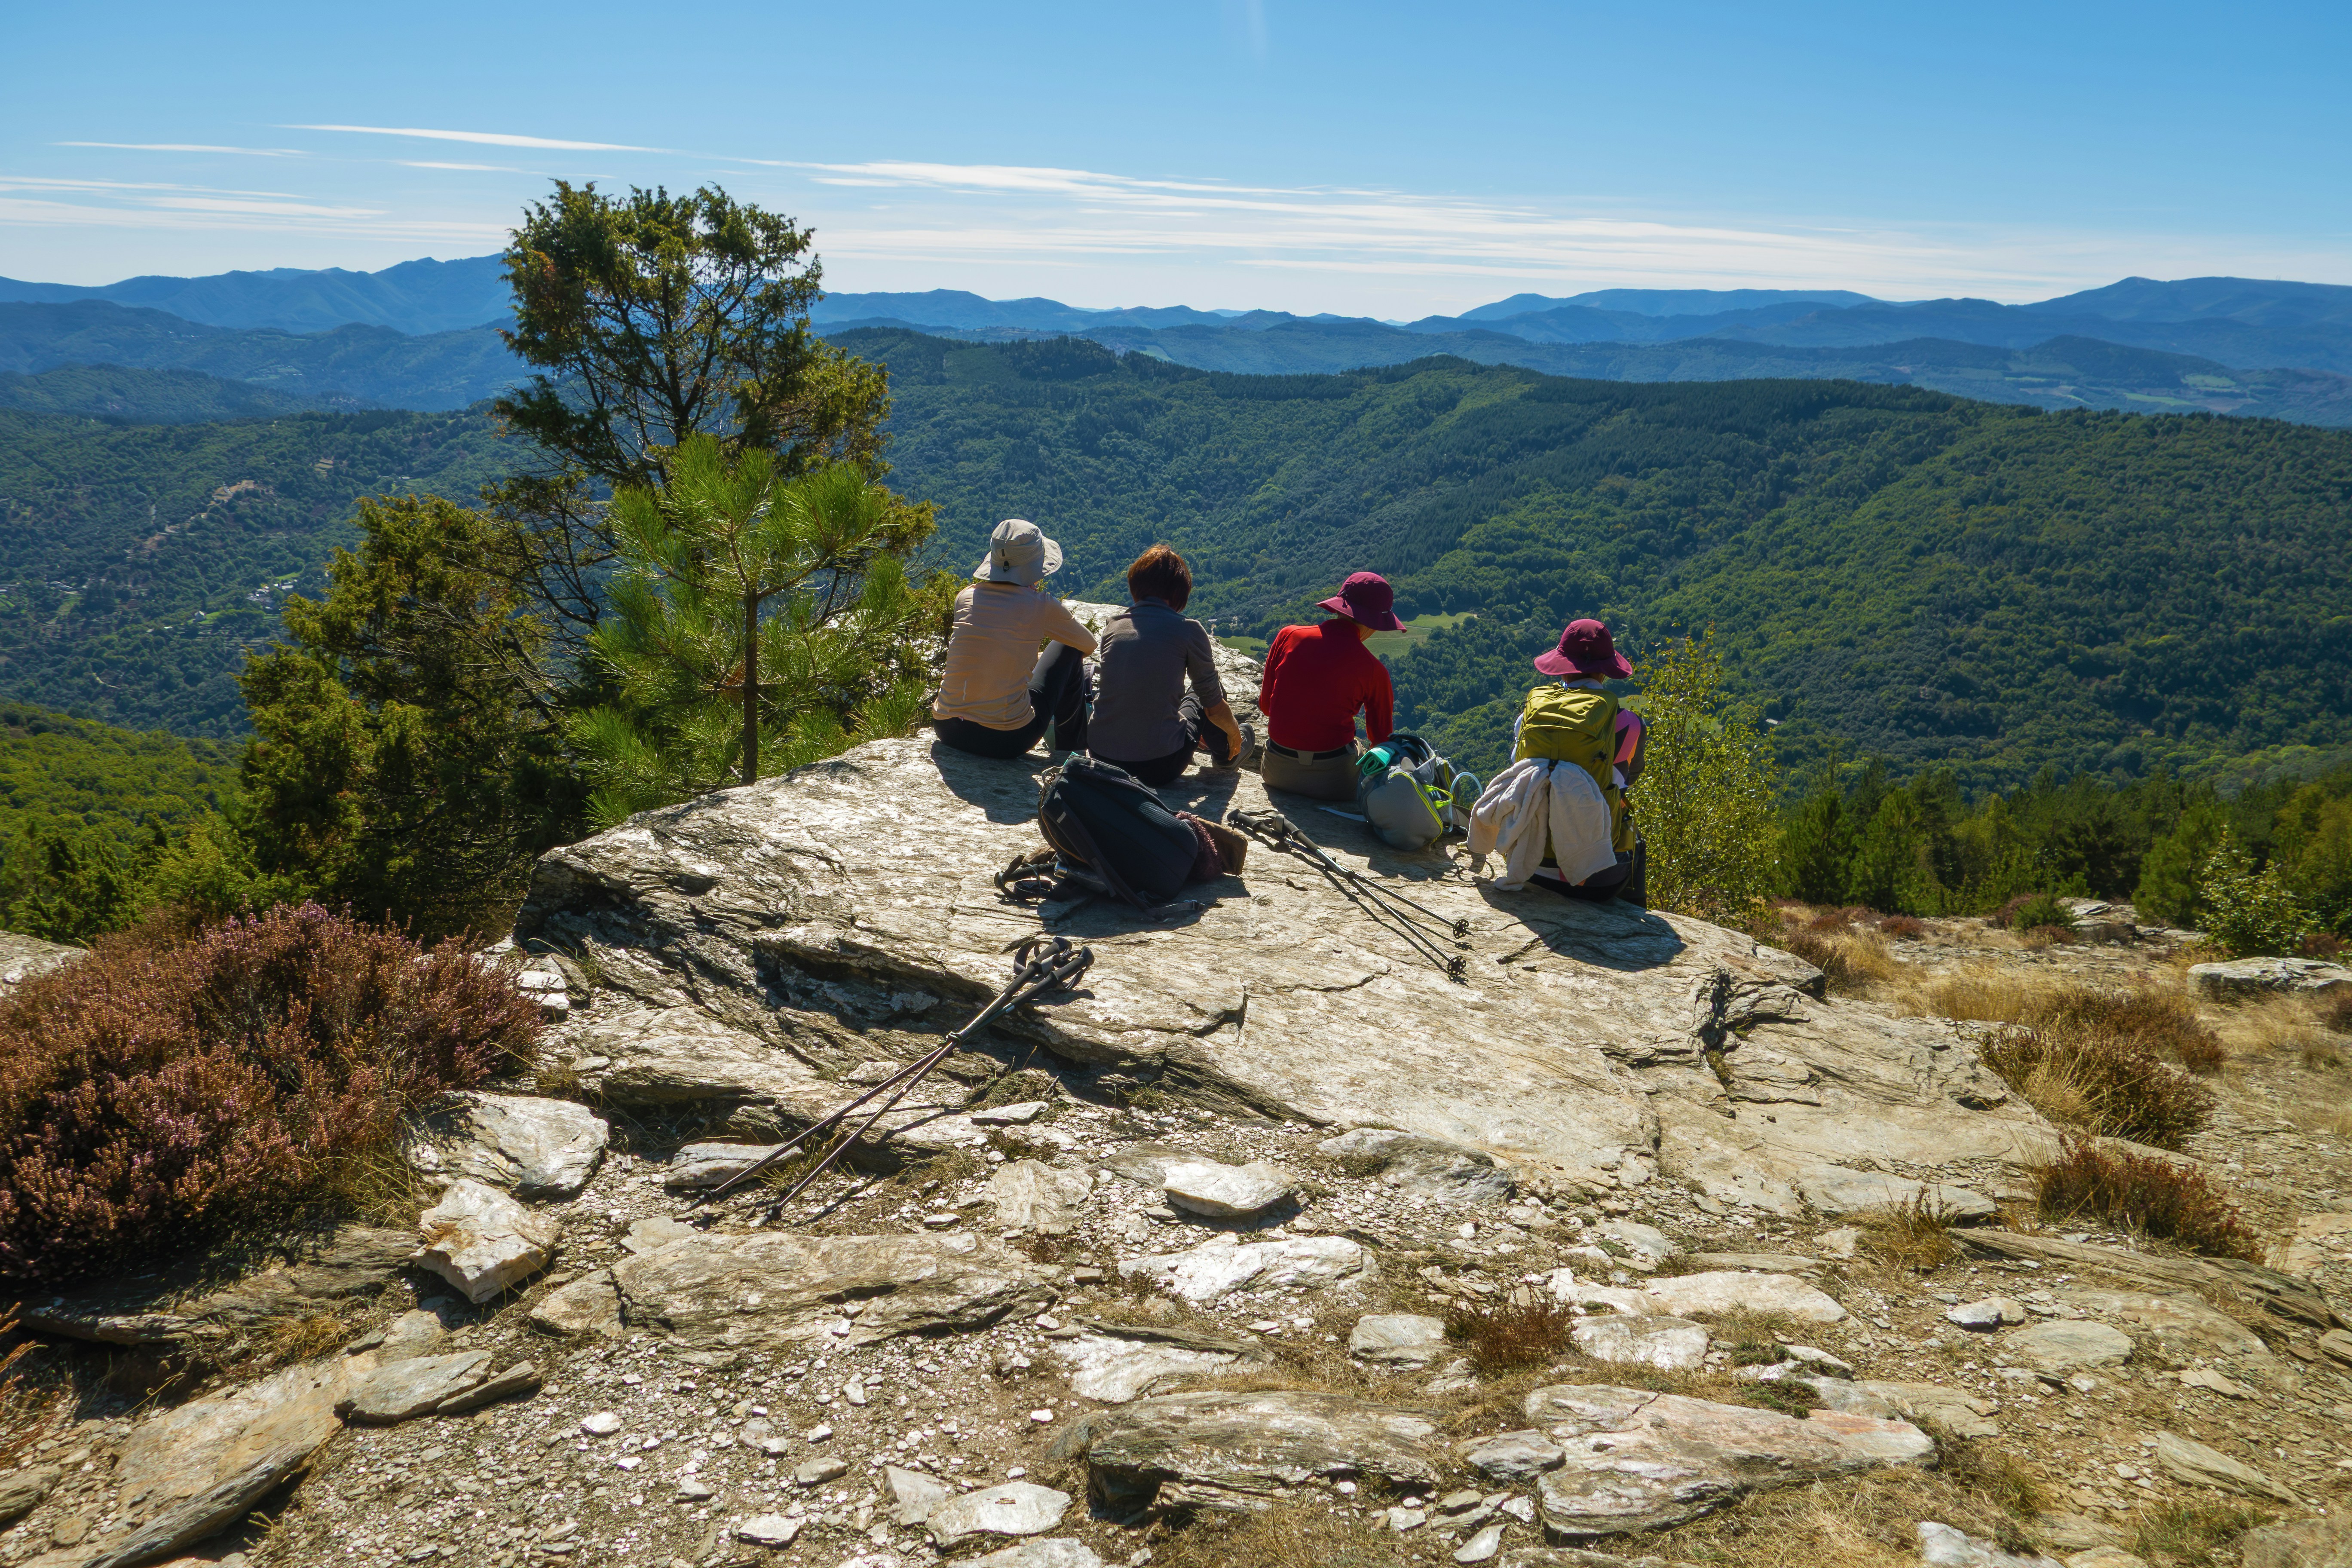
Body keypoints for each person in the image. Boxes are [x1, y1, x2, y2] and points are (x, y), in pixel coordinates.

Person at [1085, 545, 1250, 787]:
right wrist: (1235, 733)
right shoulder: (1189, 630)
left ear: (1136, 588)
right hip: (1158, 766)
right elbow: (1213, 706)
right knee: (1206, 691)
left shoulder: (1113, 626)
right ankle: (1228, 756)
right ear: (1179, 593)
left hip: (1101, 757)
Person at [933, 519, 1097, 760]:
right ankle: (1071, 750)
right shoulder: (1040, 605)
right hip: (1005, 739)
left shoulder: (965, 597)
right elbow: (1087, 645)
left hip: (947, 728)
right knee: (1067, 646)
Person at [1514, 617, 1647, 903]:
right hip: (1596, 879)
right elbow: (1629, 781)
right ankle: (1632, 926)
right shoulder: (1629, 725)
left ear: (1562, 665)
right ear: (1606, 672)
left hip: (1528, 864)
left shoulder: (1530, 716)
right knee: (1635, 839)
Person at [1256, 571, 1400, 800]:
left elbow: (1266, 707)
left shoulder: (1289, 636)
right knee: (1360, 747)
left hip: (1276, 772)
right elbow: (1381, 742)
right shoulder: (1375, 671)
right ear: (1375, 624)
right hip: (1335, 783)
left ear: (1339, 607)